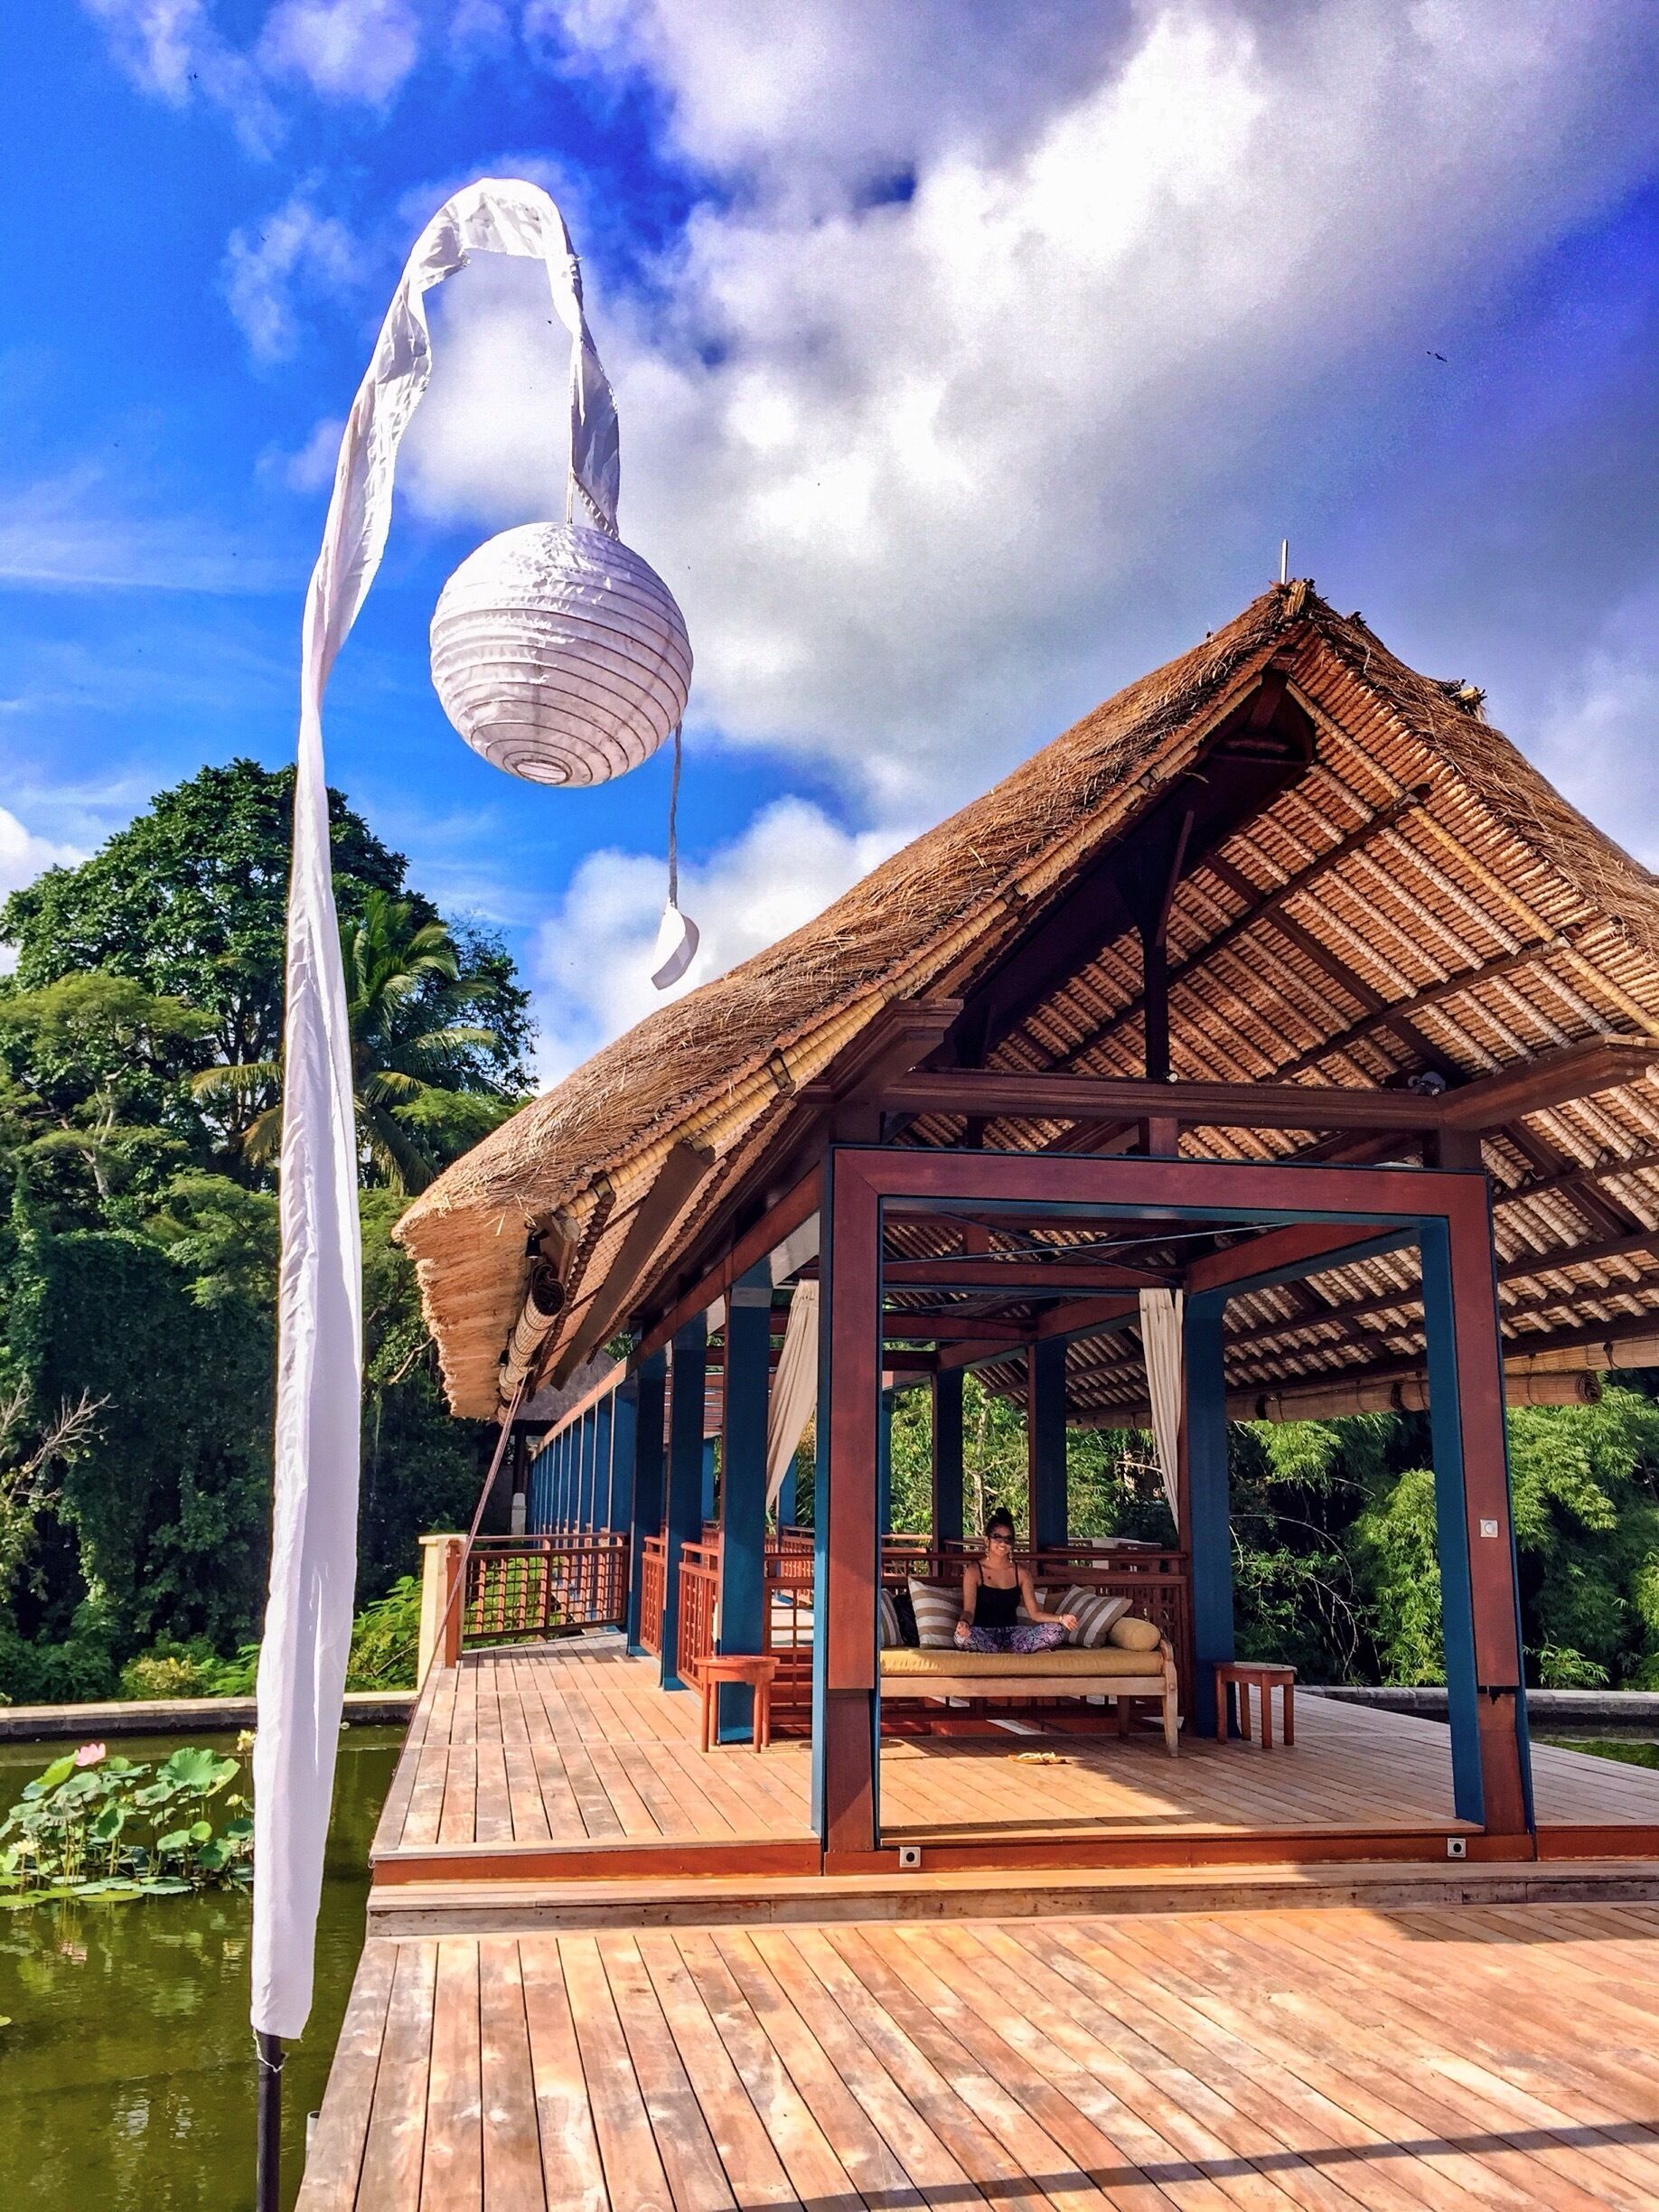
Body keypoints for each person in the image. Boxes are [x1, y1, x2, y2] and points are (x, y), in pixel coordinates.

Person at [953, 1509, 1077, 1652]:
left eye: (1008, 1539)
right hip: (983, 1633)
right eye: (997, 1537)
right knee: (960, 1638)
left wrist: (1061, 1619)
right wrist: (963, 1624)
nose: (1002, 1543)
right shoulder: (974, 1571)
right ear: (987, 1540)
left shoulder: (1022, 1573)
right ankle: (1003, 1651)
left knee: (1056, 1631)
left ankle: (1006, 1651)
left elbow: (1035, 1614)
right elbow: (969, 1611)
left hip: (1013, 1635)